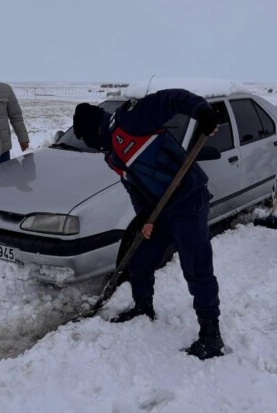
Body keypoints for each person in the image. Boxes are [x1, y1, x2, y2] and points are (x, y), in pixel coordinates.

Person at [72, 89, 225, 360]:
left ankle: (211, 333)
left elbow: (171, 99)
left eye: (88, 140)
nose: (92, 147)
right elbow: (134, 187)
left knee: (196, 267)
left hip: (188, 200)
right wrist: (144, 217)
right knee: (140, 261)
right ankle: (143, 307)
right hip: (159, 210)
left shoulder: (131, 119)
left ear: (93, 130)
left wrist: (201, 110)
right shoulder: (112, 155)